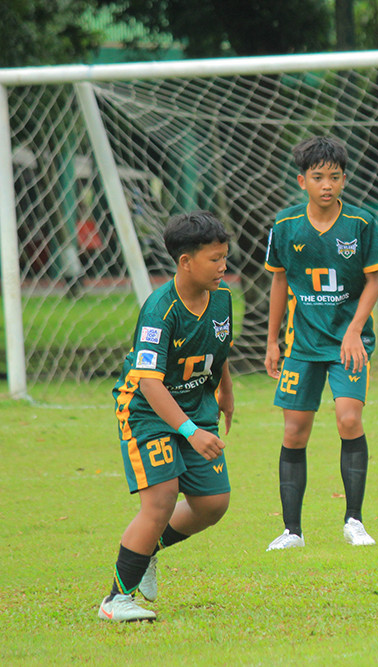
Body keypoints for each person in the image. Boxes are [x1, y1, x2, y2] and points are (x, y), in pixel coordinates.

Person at [99, 211, 235, 622]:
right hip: (146, 412)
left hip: (197, 407)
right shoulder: (160, 310)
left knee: (213, 503)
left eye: (225, 257)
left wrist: (226, 393)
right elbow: (149, 384)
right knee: (160, 500)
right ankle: (115, 600)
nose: (223, 267)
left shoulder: (223, 296)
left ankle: (147, 551)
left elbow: (219, 345)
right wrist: (190, 431)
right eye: (215, 259)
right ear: (185, 262)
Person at [264, 136, 378, 551]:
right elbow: (279, 281)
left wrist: (353, 329)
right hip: (301, 345)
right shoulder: (284, 226)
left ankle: (354, 521)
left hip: (348, 343)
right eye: (318, 177)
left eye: (334, 177)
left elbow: (374, 279)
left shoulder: (361, 223)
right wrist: (271, 342)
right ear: (302, 181)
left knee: (349, 420)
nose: (327, 185)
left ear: (344, 179)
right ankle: (292, 531)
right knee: (295, 432)